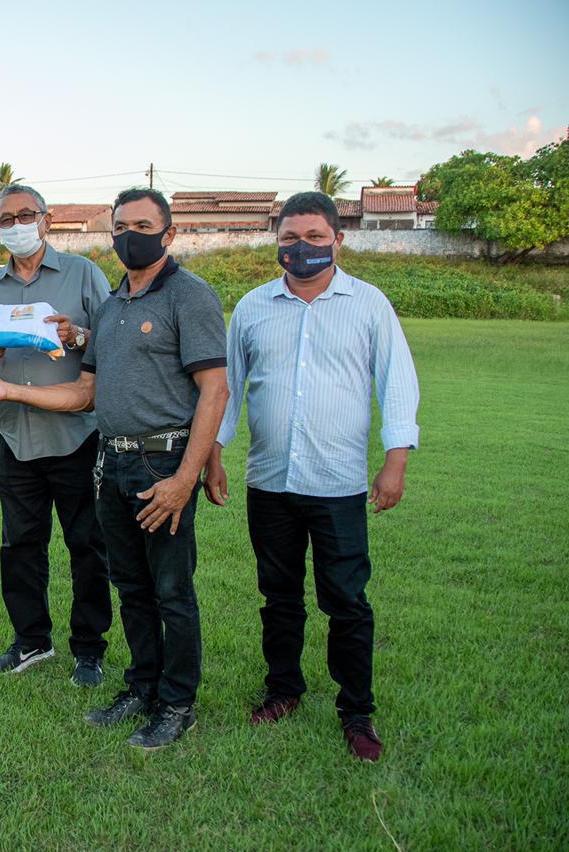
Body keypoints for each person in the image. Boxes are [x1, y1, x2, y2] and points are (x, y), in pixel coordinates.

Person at [0, 187, 229, 750]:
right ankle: (140, 686)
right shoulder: (113, 307)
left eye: (142, 224)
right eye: (120, 226)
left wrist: (189, 475)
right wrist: (7, 387)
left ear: (170, 233)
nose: (129, 236)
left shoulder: (190, 295)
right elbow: (84, 392)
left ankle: (177, 702)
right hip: (111, 461)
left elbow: (214, 390)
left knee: (171, 592)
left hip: (163, 462)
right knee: (131, 585)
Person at [204, 191, 420, 763]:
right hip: (270, 481)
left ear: (338, 240)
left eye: (315, 238)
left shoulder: (369, 305)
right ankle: (284, 690)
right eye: (290, 239)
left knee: (346, 600)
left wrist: (394, 460)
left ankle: (356, 709)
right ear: (277, 241)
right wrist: (214, 451)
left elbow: (396, 383)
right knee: (278, 597)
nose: (302, 249)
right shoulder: (252, 307)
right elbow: (227, 390)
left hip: (338, 484)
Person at [0, 184, 113, 686]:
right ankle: (31, 640)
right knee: (20, 544)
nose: (16, 225)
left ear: (46, 220)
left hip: (77, 435)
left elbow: (112, 339)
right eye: (5, 219)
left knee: (87, 544)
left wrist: (80, 336)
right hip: (15, 436)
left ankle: (89, 648)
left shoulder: (83, 274)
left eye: (25, 215)